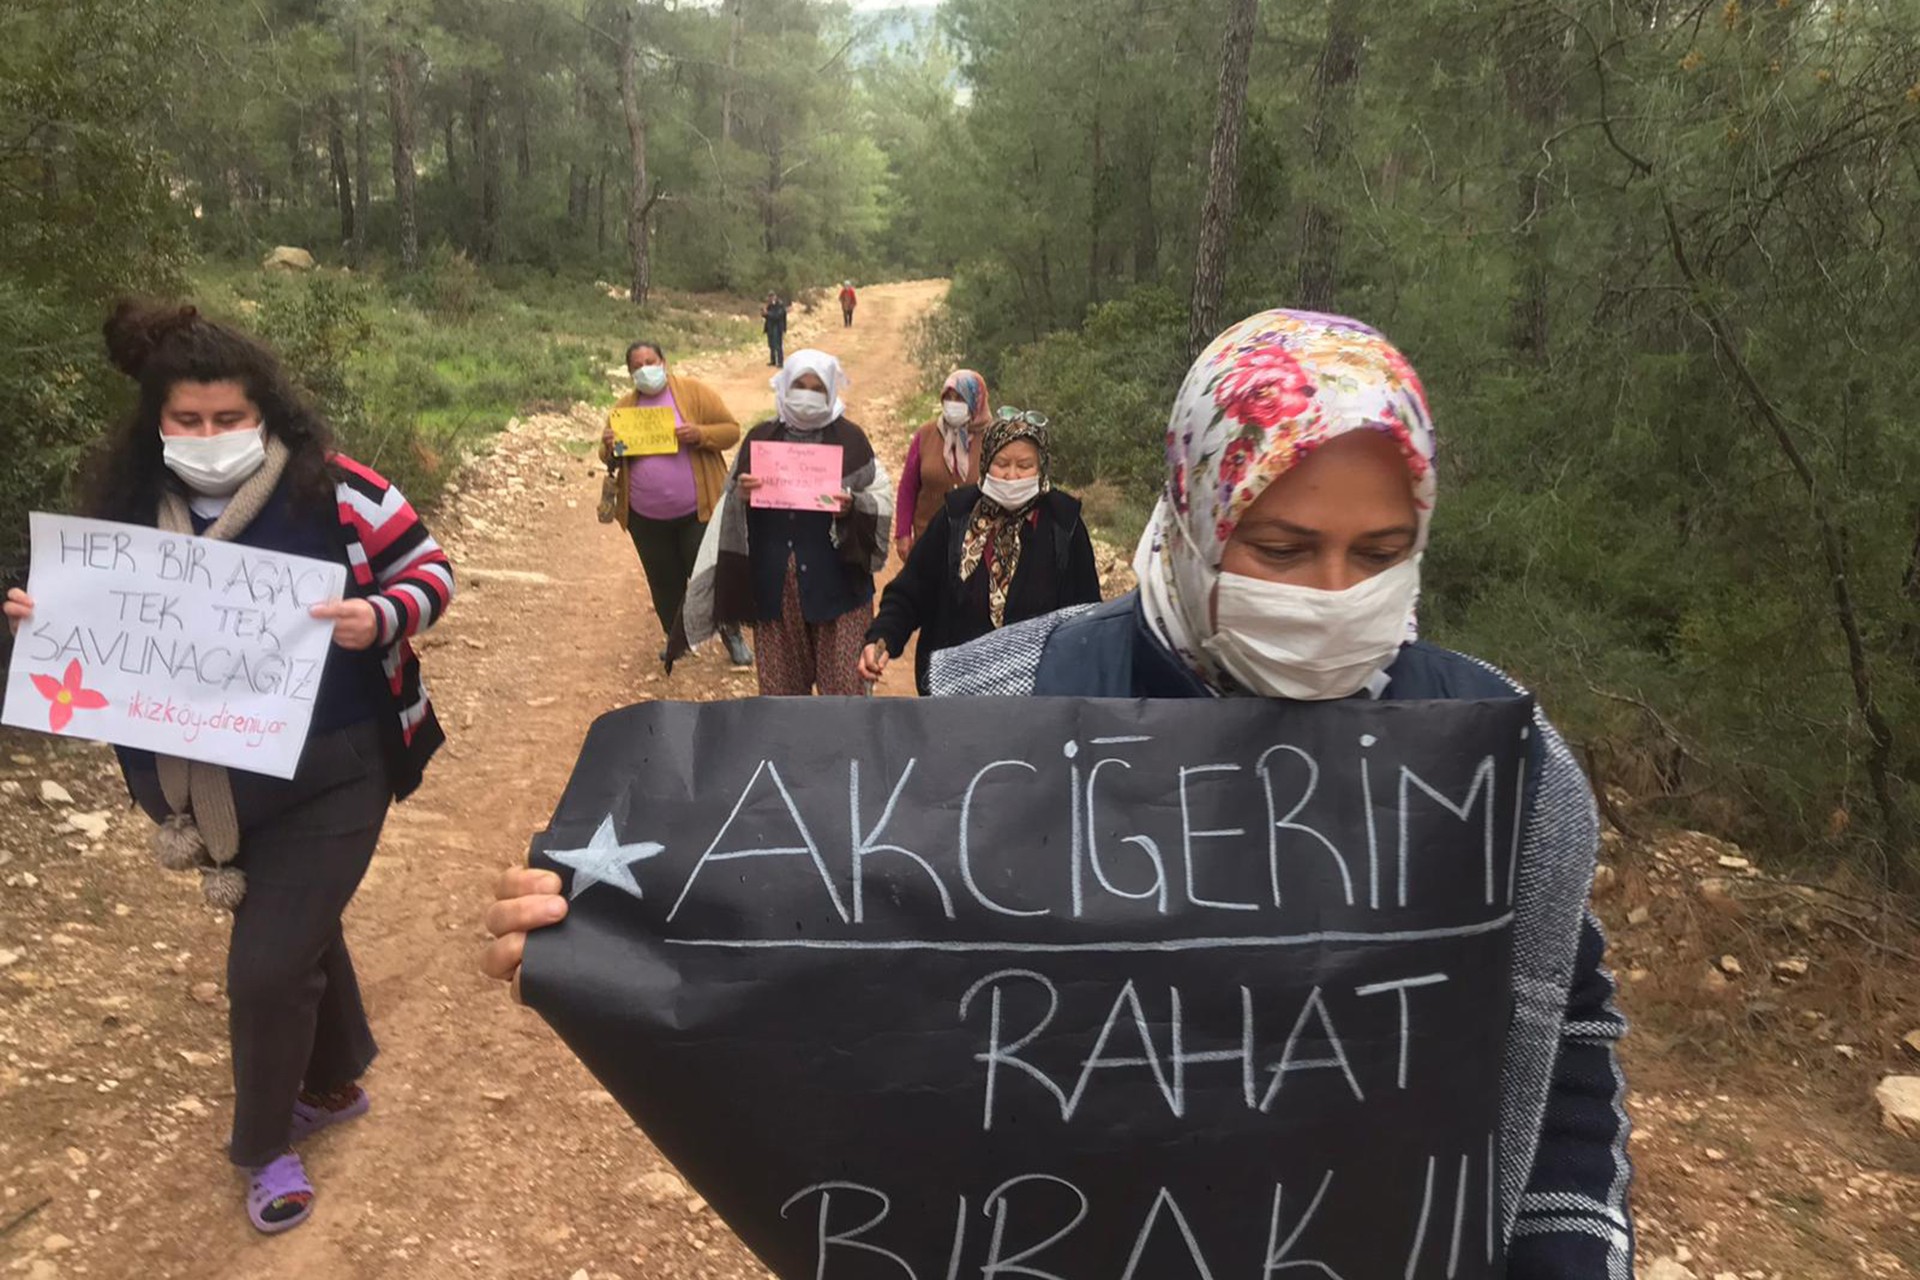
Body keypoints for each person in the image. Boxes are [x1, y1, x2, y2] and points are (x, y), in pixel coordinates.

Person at [481, 310, 1633, 1277]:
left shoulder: (1510, 770)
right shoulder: (1008, 702)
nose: (1334, 595)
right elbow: (866, 952)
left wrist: (1574, 1255)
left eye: (1379, 552)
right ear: (1194, 516)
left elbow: (1560, 1035)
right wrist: (625, 924)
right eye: (1282, 548)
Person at [5, 301, 454, 1235]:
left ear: (267, 414)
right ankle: (333, 1084)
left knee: (263, 968)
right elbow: (88, 619)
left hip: (338, 768)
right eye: (188, 421)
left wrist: (385, 615)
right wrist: (41, 622)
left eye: (229, 419)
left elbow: (429, 568)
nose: (209, 439)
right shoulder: (124, 513)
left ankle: (262, 1147)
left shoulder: (342, 493)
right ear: (156, 422)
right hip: (203, 791)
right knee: (295, 927)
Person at [670, 349, 891, 696]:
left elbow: (881, 499)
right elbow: (728, 509)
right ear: (784, 387)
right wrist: (742, 496)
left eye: (816, 388)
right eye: (799, 385)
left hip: (841, 590)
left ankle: (847, 754)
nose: (806, 394)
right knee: (781, 703)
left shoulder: (852, 440)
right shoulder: (761, 439)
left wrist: (853, 506)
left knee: (847, 700)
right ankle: (790, 754)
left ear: (831, 391)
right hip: (773, 592)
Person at [860, 408, 1102, 694]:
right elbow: (912, 591)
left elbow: (1085, 614)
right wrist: (883, 636)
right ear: (986, 462)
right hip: (957, 687)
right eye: (1002, 463)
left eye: (1024, 465)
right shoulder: (956, 515)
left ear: (1042, 466)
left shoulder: (1064, 524)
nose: (1012, 475)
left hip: (1037, 693)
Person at [598, 341, 753, 669]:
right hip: (645, 516)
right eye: (636, 366)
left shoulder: (694, 393)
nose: (645, 370)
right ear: (629, 373)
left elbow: (730, 431)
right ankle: (675, 638)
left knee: (709, 575)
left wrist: (699, 434)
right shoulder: (625, 407)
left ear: (664, 362)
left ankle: (732, 635)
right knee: (663, 579)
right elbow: (607, 454)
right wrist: (610, 446)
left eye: (650, 361)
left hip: (697, 511)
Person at [893, 369, 992, 565]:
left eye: (960, 399)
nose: (953, 404)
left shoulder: (993, 439)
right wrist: (903, 533)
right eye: (949, 398)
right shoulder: (926, 435)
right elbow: (908, 487)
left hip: (975, 546)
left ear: (976, 401)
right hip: (927, 541)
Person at [762, 292, 789, 367]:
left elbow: (778, 316)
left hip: (778, 327)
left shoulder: (780, 305)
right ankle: (773, 360)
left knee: (778, 345)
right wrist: (764, 313)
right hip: (770, 327)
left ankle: (780, 362)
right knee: (771, 345)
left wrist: (768, 314)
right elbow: (766, 315)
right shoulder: (769, 305)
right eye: (769, 297)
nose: (770, 298)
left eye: (772, 296)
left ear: (775, 297)